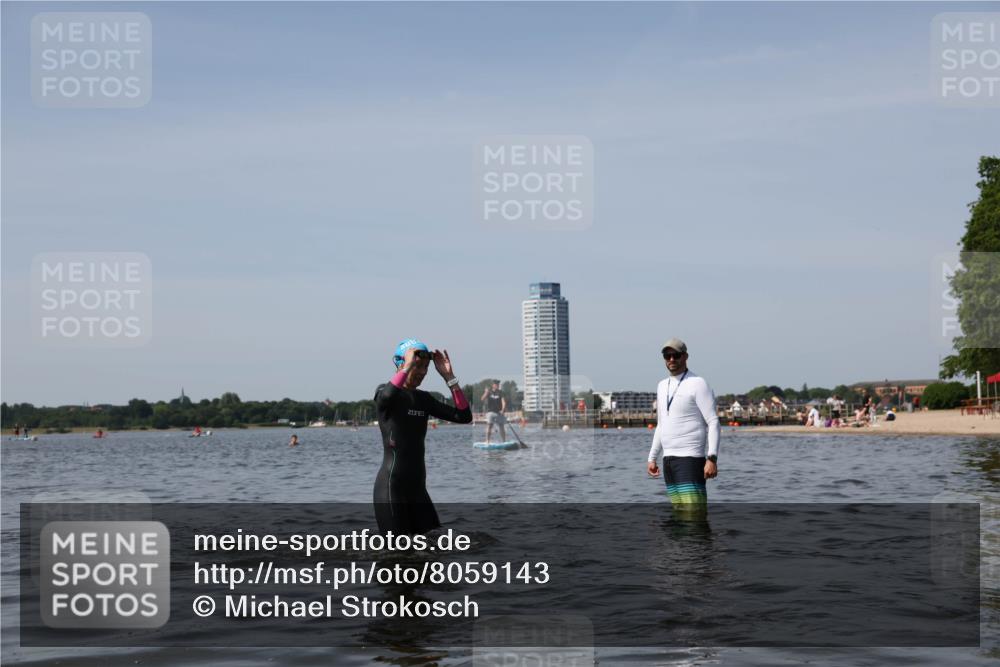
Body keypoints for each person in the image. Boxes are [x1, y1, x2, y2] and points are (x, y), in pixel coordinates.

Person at [373, 339, 472, 535]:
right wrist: (408, 365)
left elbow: (463, 416)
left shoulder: (423, 399)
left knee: (435, 546)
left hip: (418, 490)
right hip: (392, 489)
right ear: (400, 363)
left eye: (425, 367)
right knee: (397, 553)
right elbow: (387, 397)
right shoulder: (383, 393)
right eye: (417, 366)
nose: (422, 372)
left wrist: (449, 377)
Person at [646, 338, 720, 505]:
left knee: (693, 515)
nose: (671, 359)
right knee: (679, 516)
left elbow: (713, 422)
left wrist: (712, 459)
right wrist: (652, 458)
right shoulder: (661, 386)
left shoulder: (697, 383)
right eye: (667, 355)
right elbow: (661, 424)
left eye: (676, 355)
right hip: (668, 461)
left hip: (690, 459)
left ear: (685, 356)